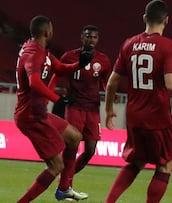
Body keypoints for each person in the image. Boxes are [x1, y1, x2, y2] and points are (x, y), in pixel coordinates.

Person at [104, 1, 172, 202]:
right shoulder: (169, 46)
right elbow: (171, 84)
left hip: (134, 116)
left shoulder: (128, 43)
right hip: (157, 115)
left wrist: (109, 109)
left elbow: (112, 82)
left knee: (136, 161)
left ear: (144, 18)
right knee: (164, 165)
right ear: (166, 20)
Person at [14, 15, 92, 202]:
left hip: (39, 113)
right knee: (56, 165)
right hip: (32, 117)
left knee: (74, 137)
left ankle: (64, 189)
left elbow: (60, 68)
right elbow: (34, 82)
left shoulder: (42, 51)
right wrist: (57, 99)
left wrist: (79, 65)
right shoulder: (33, 53)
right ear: (47, 32)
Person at [49, 25, 112, 193]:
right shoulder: (69, 56)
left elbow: (107, 83)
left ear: (98, 40)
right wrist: (50, 94)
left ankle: (65, 178)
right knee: (72, 146)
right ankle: (65, 185)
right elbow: (56, 75)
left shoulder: (103, 60)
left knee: (90, 150)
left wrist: (110, 101)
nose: (91, 40)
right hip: (75, 107)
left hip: (93, 109)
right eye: (87, 36)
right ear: (81, 38)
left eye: (94, 37)